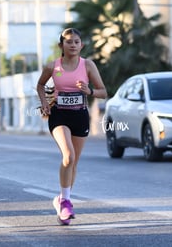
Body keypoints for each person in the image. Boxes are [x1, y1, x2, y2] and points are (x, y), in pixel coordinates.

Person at [36, 28, 107, 225]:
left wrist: (89, 90)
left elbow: (103, 92)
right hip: (59, 115)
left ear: (81, 45)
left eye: (76, 41)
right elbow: (40, 85)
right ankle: (66, 202)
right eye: (68, 42)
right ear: (61, 45)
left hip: (80, 116)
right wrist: (44, 103)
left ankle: (61, 200)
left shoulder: (88, 65)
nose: (73, 45)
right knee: (68, 156)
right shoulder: (53, 66)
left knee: (73, 163)